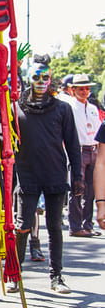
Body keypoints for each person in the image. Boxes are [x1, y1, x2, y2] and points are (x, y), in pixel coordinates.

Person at [10, 54, 83, 294]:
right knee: (22, 225)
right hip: (27, 174)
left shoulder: (62, 108)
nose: (41, 81)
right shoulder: (16, 107)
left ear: (50, 79)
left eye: (45, 77)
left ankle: (57, 276)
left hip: (54, 174)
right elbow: (6, 142)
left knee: (54, 228)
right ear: (30, 79)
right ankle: (15, 274)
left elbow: (73, 144)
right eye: (36, 76)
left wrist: (77, 177)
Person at [66, 74, 102, 237]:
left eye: (87, 88)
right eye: (81, 88)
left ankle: (88, 223)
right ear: (73, 90)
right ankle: (75, 225)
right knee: (77, 188)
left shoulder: (93, 108)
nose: (84, 91)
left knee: (91, 190)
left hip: (93, 149)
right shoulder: (69, 107)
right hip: (78, 150)